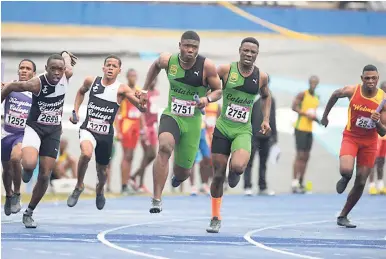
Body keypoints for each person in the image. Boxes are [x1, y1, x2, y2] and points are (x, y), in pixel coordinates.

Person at [141, 30, 222, 213]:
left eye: (194, 47)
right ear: (180, 46)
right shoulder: (168, 61)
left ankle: (177, 178)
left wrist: (207, 99)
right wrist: (144, 90)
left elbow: (219, 90)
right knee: (164, 147)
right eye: (187, 46)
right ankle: (156, 198)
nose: (190, 50)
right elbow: (155, 66)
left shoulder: (206, 66)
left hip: (193, 122)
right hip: (172, 115)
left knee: (183, 172)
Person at [1, 51, 77, 228]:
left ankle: (29, 212)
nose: (57, 73)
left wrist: (65, 54)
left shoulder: (67, 75)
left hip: (53, 131)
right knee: (28, 165)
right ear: (46, 69)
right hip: (34, 128)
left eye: (60, 69)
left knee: (45, 174)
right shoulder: (36, 83)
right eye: (53, 69)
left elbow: (67, 64)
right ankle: (26, 172)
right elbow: (11, 87)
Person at [207, 37, 271, 233]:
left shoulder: (261, 76)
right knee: (218, 175)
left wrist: (266, 119)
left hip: (243, 130)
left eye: (253, 52)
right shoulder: (225, 70)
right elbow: (208, 79)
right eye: (246, 50)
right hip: (223, 127)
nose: (249, 54)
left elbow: (266, 96)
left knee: (238, 166)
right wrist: (204, 96)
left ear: (256, 55)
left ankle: (235, 173)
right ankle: (215, 216)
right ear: (240, 51)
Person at [67, 55, 147, 210]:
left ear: (119, 71)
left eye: (114, 66)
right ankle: (79, 185)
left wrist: (143, 100)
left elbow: (140, 107)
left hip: (105, 134)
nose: (110, 68)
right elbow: (81, 92)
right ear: (103, 68)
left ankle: (100, 190)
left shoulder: (122, 89)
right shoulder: (92, 81)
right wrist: (75, 111)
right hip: (88, 128)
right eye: (108, 65)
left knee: (102, 171)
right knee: (86, 154)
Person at [321, 65, 386, 228]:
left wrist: (377, 121)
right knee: (346, 170)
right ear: (362, 78)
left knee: (361, 181)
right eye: (367, 78)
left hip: (369, 143)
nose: (370, 81)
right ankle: (345, 177)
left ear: (377, 79)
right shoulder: (352, 91)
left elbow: (383, 132)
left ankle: (343, 215)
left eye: (373, 78)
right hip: (351, 138)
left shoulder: (382, 100)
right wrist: (325, 116)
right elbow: (335, 95)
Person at [1, 59, 36, 216]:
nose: (24, 70)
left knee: (16, 158)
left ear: (33, 74)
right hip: (6, 133)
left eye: (28, 69)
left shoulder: (36, 91)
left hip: (22, 134)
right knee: (6, 169)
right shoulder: (10, 86)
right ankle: (8, 195)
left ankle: (16, 193)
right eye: (21, 68)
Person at [243, 87, 277, 196]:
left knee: (263, 163)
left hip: (266, 136)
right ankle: (247, 186)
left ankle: (262, 187)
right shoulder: (251, 98)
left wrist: (274, 135)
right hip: (252, 135)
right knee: (249, 162)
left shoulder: (271, 99)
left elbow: (273, 117)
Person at [291, 76, 320, 193]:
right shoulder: (302, 94)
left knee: (307, 156)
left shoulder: (317, 97)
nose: (313, 84)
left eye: (315, 83)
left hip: (309, 129)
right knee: (300, 155)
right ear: (309, 83)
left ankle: (301, 181)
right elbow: (294, 107)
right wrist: (305, 113)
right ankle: (294, 182)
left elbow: (313, 113)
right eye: (312, 83)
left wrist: (317, 119)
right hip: (300, 128)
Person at [130, 77, 160, 193]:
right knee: (147, 154)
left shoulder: (157, 93)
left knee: (152, 155)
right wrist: (143, 130)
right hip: (146, 128)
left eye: (154, 80)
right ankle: (140, 183)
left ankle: (134, 176)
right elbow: (140, 111)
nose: (153, 82)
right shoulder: (144, 94)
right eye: (151, 80)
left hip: (153, 128)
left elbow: (155, 111)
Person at [116, 68, 142, 194]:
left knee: (131, 155)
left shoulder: (139, 90)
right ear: (127, 77)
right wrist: (118, 131)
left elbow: (141, 109)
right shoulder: (123, 90)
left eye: (134, 75)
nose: (133, 78)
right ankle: (123, 185)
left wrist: (142, 129)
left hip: (136, 124)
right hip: (126, 124)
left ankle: (127, 183)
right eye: (131, 75)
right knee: (126, 155)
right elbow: (117, 111)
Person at [369, 81, 386, 195]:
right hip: (377, 133)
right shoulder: (377, 99)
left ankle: (380, 184)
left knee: (381, 160)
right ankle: (371, 185)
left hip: (385, 134)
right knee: (373, 160)